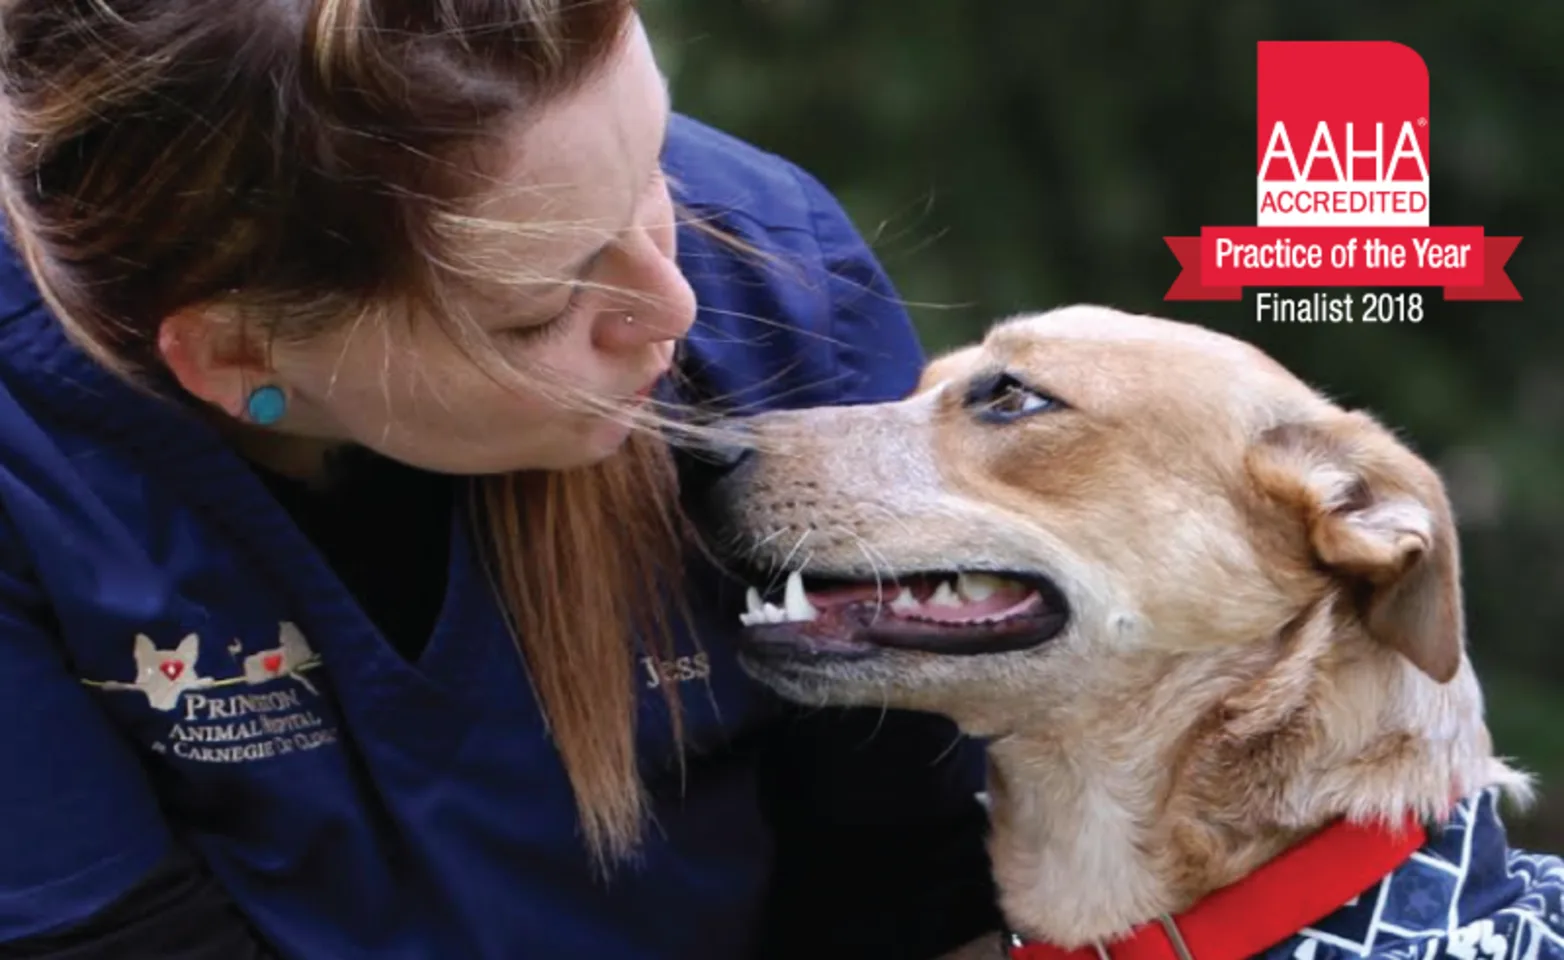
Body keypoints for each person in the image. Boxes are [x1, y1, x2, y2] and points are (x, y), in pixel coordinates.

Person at [0, 2, 1000, 958]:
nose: (676, 303)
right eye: (540, 311)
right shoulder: (36, 459)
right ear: (235, 356)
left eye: (654, 169)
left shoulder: (775, 281)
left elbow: (918, 883)